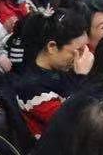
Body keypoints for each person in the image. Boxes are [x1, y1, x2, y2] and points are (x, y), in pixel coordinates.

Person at [11, 11, 93, 139]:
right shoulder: (30, 86)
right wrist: (82, 77)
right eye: (79, 51)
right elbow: (74, 122)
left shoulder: (64, 71)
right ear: (52, 47)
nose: (83, 57)